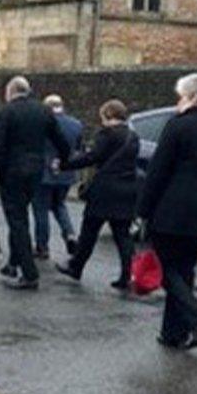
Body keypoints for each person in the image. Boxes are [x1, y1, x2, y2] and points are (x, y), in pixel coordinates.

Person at [137, 73, 197, 350]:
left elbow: (158, 172)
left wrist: (143, 210)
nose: (178, 102)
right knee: (183, 270)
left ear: (194, 97)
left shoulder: (178, 127)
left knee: (168, 272)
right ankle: (172, 332)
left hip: (174, 209)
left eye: (181, 96)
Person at [0, 76, 70, 290]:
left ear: (11, 92)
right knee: (21, 216)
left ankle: (29, 273)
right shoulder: (43, 111)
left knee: (17, 221)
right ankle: (13, 263)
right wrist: (62, 161)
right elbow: (61, 141)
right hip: (36, 170)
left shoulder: (6, 112)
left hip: (12, 172)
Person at [56, 100, 139, 288]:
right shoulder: (133, 136)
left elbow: (92, 157)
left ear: (108, 115)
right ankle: (127, 275)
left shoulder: (106, 135)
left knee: (89, 231)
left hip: (105, 190)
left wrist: (65, 165)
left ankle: (76, 267)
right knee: (123, 236)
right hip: (127, 188)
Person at [32, 95, 83, 259]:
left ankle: (42, 246)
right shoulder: (76, 124)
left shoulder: (42, 124)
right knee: (59, 204)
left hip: (44, 172)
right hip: (66, 173)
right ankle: (70, 234)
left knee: (41, 209)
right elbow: (78, 148)